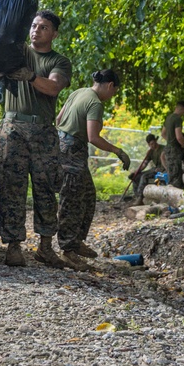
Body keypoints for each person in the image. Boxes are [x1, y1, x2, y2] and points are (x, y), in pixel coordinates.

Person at [0, 10, 71, 268]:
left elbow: (53, 87)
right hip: (12, 128)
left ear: (54, 34)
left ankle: (45, 247)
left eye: (44, 27)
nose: (36, 30)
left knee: (46, 188)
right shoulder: (17, 52)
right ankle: (14, 248)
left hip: (43, 133)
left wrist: (30, 76)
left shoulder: (59, 61)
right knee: (11, 187)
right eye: (34, 25)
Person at [55, 69, 131, 270]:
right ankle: (67, 250)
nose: (112, 95)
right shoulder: (95, 103)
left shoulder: (79, 92)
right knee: (71, 200)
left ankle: (76, 241)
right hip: (72, 151)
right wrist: (117, 151)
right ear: (110, 85)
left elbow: (58, 119)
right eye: (114, 92)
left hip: (67, 147)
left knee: (88, 195)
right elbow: (93, 137)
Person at [130, 134, 165, 206]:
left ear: (155, 141)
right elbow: (144, 164)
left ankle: (140, 198)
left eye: (152, 143)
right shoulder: (150, 152)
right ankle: (137, 197)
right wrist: (137, 171)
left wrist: (162, 169)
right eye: (149, 144)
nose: (151, 146)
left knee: (144, 176)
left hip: (162, 170)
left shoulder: (163, 149)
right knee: (136, 177)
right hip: (155, 169)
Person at [161, 101, 184, 188]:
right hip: (175, 150)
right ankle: (174, 198)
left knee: (171, 174)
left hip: (168, 149)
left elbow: (163, 134)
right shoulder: (177, 119)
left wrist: (170, 141)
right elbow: (179, 137)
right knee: (176, 177)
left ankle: (169, 196)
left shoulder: (168, 118)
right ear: (182, 109)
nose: (183, 114)